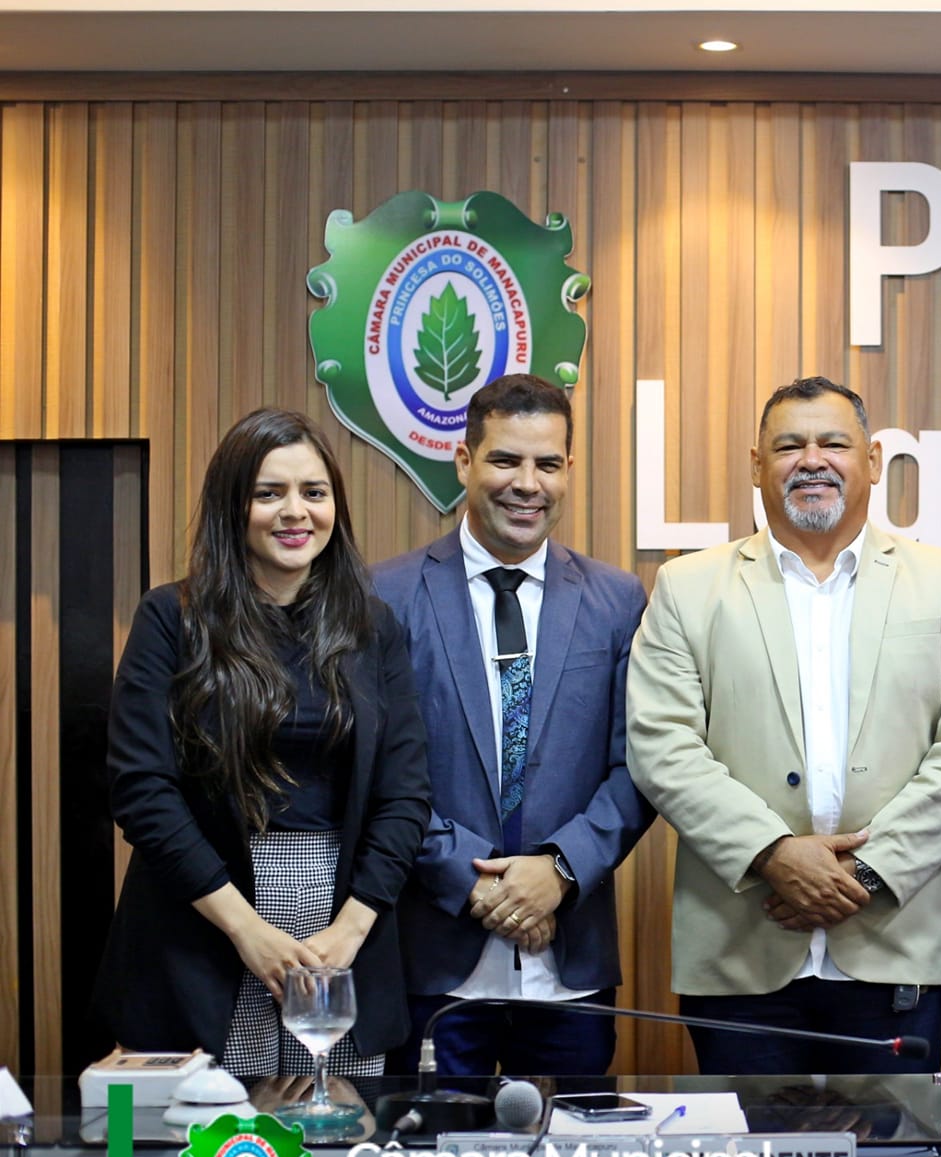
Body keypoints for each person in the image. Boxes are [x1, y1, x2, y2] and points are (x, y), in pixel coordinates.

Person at [626, 376, 941, 1073]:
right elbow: (662, 745)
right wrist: (774, 854)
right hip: (741, 949)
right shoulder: (688, 585)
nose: (811, 459)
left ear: (874, 459)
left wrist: (859, 871)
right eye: (788, 445)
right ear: (756, 465)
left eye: (834, 442)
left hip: (892, 946)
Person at [95, 408, 430, 1074]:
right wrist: (247, 929)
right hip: (207, 916)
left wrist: (350, 931)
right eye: (268, 492)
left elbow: (407, 792)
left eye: (314, 492)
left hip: (345, 913)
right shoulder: (173, 618)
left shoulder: (373, 627)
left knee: (336, 1145)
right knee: (207, 1151)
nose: (295, 512)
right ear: (233, 505)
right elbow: (141, 790)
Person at [375, 374, 655, 1077]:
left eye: (547, 464)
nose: (526, 483)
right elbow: (375, 767)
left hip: (570, 964)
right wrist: (477, 884)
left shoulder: (617, 599)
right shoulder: (385, 594)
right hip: (433, 963)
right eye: (505, 460)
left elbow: (642, 765)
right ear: (465, 461)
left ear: (568, 471)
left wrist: (558, 870)